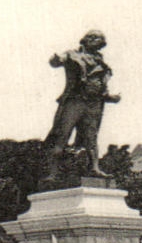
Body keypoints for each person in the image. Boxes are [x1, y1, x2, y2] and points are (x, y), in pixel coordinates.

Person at [45, 29, 121, 177]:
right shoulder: (72, 55)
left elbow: (101, 88)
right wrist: (55, 60)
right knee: (62, 135)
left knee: (91, 138)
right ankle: (52, 173)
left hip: (94, 104)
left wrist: (111, 98)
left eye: (99, 40)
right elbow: (57, 61)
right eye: (93, 38)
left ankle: (94, 168)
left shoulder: (102, 64)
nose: (96, 41)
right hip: (75, 101)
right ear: (85, 40)